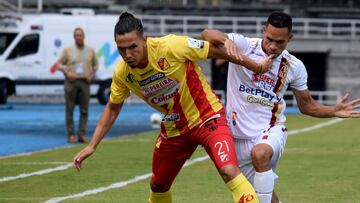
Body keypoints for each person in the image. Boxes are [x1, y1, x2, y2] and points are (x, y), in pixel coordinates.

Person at [72, 12, 273, 203]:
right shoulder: (123, 74)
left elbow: (216, 51)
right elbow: (113, 108)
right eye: (121, 49)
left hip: (207, 117)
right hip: (174, 129)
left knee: (229, 171)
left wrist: (256, 66)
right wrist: (92, 145)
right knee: (158, 185)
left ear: (145, 40)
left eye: (132, 47)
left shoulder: (171, 46)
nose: (127, 54)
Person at [201, 11, 360, 203]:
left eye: (280, 42)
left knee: (259, 154)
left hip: (270, 130)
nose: (273, 46)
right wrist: (226, 42)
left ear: (290, 39)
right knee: (257, 193)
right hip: (237, 134)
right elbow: (207, 33)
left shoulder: (294, 66)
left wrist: (333, 111)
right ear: (263, 31)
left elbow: (307, 105)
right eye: (269, 39)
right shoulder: (244, 45)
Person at [55, 27, 99, 143]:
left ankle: (82, 134)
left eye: (81, 35)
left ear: (84, 37)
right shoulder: (68, 50)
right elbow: (58, 64)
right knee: (69, 109)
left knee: (84, 110)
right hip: (71, 82)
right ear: (74, 37)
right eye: (77, 35)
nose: (79, 37)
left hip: (85, 82)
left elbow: (96, 65)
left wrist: (92, 74)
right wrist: (66, 72)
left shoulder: (90, 50)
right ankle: (70, 134)